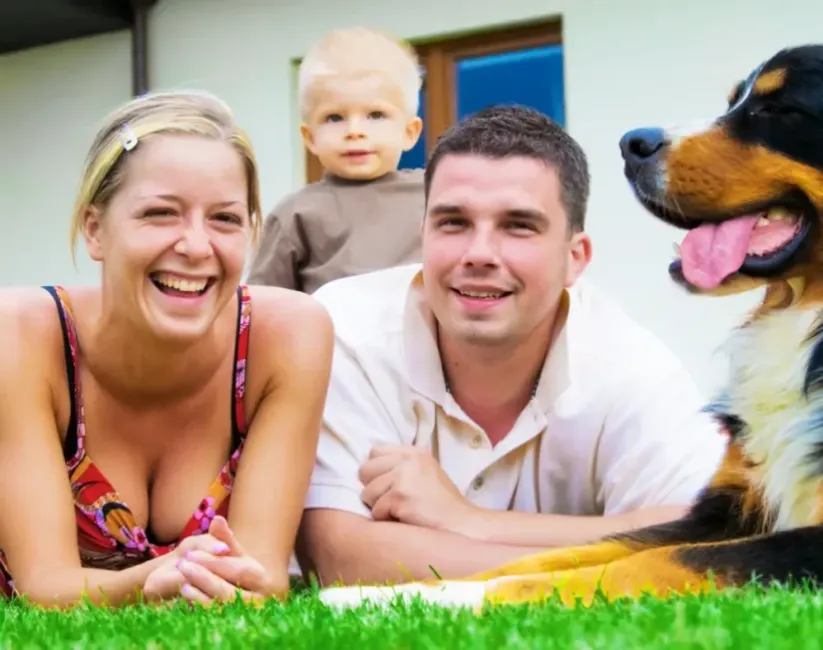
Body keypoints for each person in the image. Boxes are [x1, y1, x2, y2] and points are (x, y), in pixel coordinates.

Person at [295, 105, 728, 587]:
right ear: (423, 237)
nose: (478, 254)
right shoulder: (345, 329)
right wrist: (615, 560)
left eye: (518, 225)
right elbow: (343, 557)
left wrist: (471, 521)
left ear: (574, 258)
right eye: (453, 223)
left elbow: (705, 539)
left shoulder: (629, 366)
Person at [0, 90, 334, 608]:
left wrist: (212, 581)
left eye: (224, 219)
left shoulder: (288, 335)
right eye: (160, 214)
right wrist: (155, 580)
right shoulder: (20, 336)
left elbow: (259, 576)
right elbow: (43, 587)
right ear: (95, 230)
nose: (197, 246)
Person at [246, 26, 426, 293]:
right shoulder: (296, 215)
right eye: (334, 118)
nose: (355, 131)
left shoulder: (434, 195)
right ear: (310, 138)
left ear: (409, 132)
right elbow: (263, 305)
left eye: (375, 115)